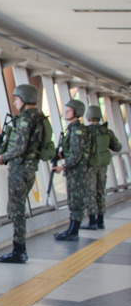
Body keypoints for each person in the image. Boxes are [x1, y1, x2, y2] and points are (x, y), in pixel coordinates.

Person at [0, 84, 45, 264]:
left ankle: (19, 250)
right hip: (30, 168)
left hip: (19, 168)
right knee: (18, 208)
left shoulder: (25, 120)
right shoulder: (39, 118)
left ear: (23, 99)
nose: (14, 102)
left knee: (16, 210)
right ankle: (19, 249)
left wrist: (2, 157)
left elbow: (20, 147)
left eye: (16, 99)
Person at [51, 99, 94, 241]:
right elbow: (72, 151)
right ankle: (72, 229)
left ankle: (73, 231)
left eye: (69, 110)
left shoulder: (77, 130)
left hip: (78, 172)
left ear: (76, 113)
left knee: (76, 201)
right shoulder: (72, 129)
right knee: (74, 200)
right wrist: (62, 155)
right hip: (75, 171)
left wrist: (62, 166)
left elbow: (76, 155)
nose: (66, 112)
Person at [82, 105, 122, 230]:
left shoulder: (85, 131)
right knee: (100, 192)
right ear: (99, 117)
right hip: (103, 167)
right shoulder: (107, 131)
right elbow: (118, 147)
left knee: (90, 193)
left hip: (90, 166)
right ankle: (101, 221)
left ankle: (92, 221)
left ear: (88, 118)